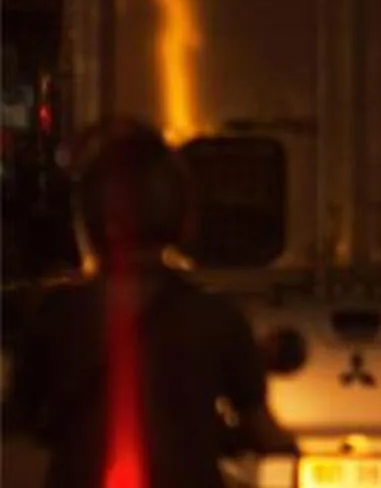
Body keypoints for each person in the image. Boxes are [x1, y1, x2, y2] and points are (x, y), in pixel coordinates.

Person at [3, 121, 285, 488]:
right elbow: (263, 431)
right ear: (181, 215)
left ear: (89, 217)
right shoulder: (218, 318)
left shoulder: (56, 315)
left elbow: (19, 425)